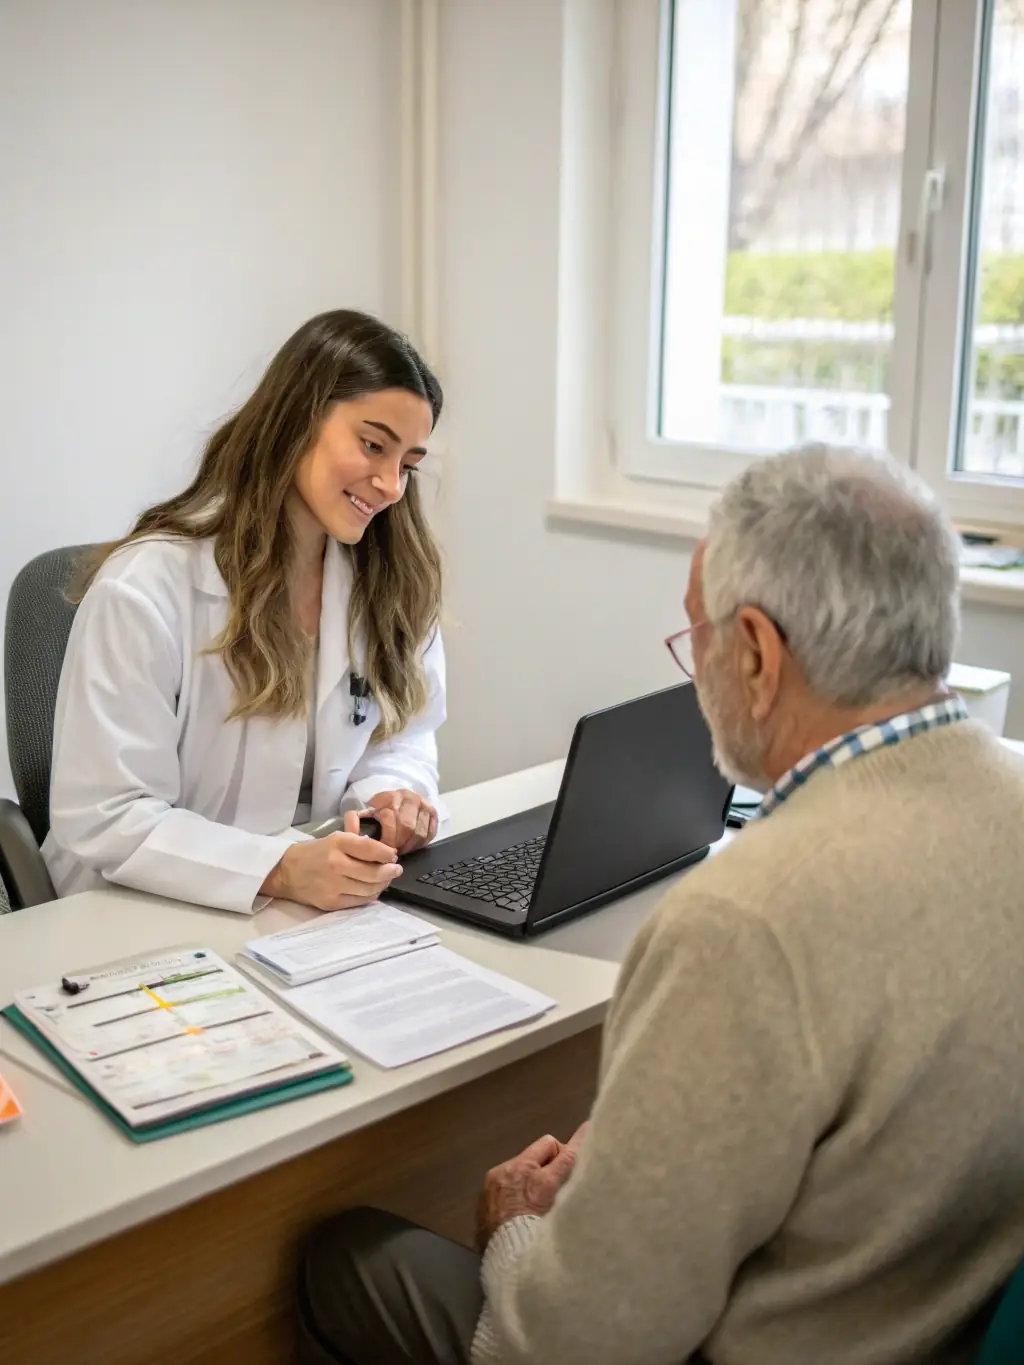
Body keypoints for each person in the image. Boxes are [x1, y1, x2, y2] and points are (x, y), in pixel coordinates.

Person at [296, 445, 1024, 1365]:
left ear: (756, 652)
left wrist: (515, 1228)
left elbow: (568, 1344)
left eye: (697, 641)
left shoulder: (744, 922)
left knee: (347, 1256)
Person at [44, 309, 447, 914]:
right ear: (297, 421)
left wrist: (394, 796)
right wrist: (279, 869)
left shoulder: (389, 582)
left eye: (407, 466)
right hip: (134, 912)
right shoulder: (146, 590)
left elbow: (403, 735)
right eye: (372, 445)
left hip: (303, 910)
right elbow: (108, 815)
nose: (391, 485)